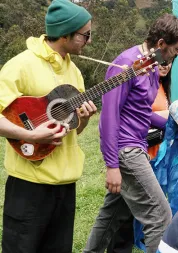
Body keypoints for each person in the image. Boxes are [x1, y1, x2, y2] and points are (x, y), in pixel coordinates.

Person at [83, 14, 178, 253]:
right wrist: (112, 165)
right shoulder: (126, 64)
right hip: (127, 150)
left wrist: (174, 123)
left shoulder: (150, 65)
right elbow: (109, 116)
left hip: (137, 145)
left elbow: (140, 111)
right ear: (161, 44)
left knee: (111, 215)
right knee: (160, 216)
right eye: (177, 48)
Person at [0, 1, 96, 252]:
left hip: (65, 186)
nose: (89, 40)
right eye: (85, 35)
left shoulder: (74, 72)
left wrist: (84, 118)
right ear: (65, 34)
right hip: (28, 186)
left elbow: (75, 128)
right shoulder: (20, 65)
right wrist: (29, 134)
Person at [107, 63, 173, 253]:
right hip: (132, 153)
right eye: (162, 61)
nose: (166, 65)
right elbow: (127, 116)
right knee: (129, 213)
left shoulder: (161, 85)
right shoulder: (140, 83)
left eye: (170, 62)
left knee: (122, 210)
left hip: (152, 154)